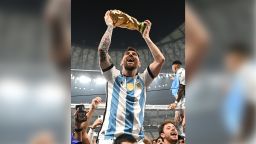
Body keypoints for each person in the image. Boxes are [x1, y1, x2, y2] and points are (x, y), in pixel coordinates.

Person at [97, 11, 165, 144]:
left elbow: (160, 60)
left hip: (135, 139)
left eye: (134, 54)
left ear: (139, 63)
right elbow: (102, 51)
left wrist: (146, 37)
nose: (131, 54)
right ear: (122, 61)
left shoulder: (144, 79)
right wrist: (111, 26)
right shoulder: (113, 76)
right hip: (109, 138)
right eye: (127, 53)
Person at [168, 60, 185, 135]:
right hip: (180, 99)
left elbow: (182, 88)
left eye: (172, 67)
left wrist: (175, 103)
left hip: (184, 99)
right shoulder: (178, 74)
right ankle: (181, 137)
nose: (172, 69)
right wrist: (173, 78)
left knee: (185, 122)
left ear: (175, 66)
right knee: (176, 121)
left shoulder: (182, 72)